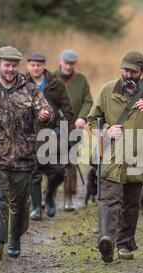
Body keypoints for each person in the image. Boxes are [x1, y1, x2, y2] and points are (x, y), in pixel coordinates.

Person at [0, 46, 54, 260]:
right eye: (7, 65)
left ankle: (15, 238)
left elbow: (47, 111)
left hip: (23, 157)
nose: (10, 69)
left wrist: (44, 115)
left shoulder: (30, 89)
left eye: (14, 65)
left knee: (21, 205)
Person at [87, 51, 143, 262]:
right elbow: (92, 120)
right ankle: (107, 240)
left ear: (142, 73)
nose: (128, 74)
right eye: (125, 70)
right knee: (109, 200)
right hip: (112, 156)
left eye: (133, 71)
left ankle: (125, 244)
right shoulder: (107, 91)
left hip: (136, 157)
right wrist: (106, 131)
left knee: (131, 204)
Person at [26, 53, 74, 220]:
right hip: (29, 136)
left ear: (44, 66)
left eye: (38, 65)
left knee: (58, 172)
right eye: (32, 65)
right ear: (28, 66)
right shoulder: (22, 84)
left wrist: (62, 131)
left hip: (51, 136)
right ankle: (37, 208)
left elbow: (68, 111)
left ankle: (49, 197)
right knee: (34, 172)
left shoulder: (56, 84)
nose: (35, 68)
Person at [54, 49, 93, 211]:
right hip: (53, 127)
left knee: (70, 163)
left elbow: (88, 101)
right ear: (60, 61)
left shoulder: (81, 80)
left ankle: (69, 198)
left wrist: (82, 118)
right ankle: (48, 196)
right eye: (66, 63)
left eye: (71, 64)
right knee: (51, 163)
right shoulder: (51, 77)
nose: (68, 66)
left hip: (74, 127)